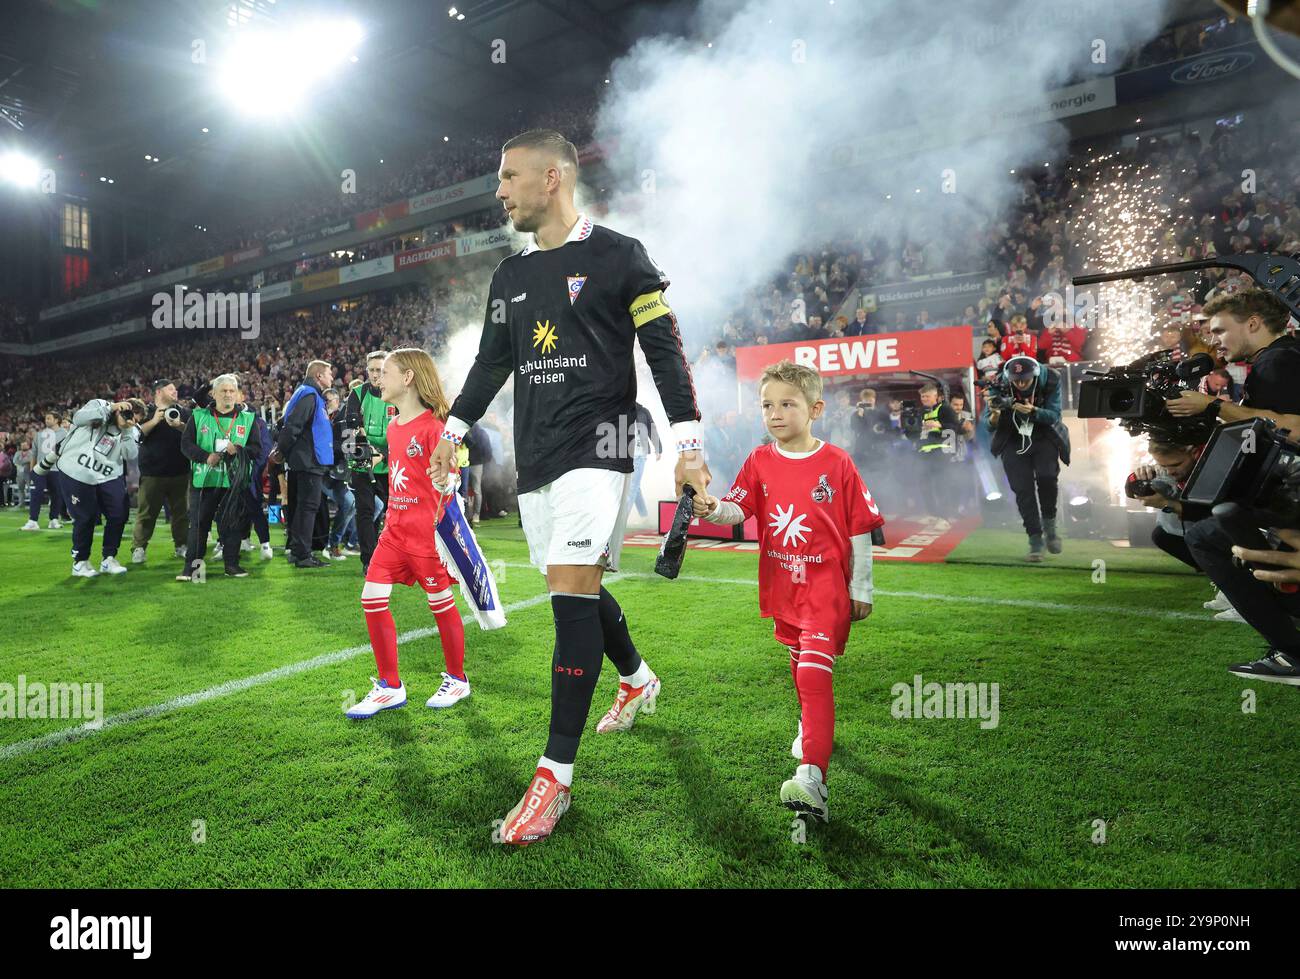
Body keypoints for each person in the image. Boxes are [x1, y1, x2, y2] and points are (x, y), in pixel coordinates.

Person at [426, 129, 706, 846]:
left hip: (599, 450)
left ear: (551, 178)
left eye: (507, 176)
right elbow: (491, 366)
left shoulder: (619, 255)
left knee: (571, 588)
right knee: (572, 586)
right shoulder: (509, 277)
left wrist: (689, 447)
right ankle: (639, 677)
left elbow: (666, 354)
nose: (498, 190)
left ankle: (555, 777)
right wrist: (452, 436)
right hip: (538, 460)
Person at [693, 360, 883, 823]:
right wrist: (711, 505)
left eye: (787, 404)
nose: (774, 413)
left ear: (814, 408)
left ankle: (812, 778)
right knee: (800, 667)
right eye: (766, 405)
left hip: (826, 591)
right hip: (784, 586)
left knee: (814, 675)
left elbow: (859, 529)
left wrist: (862, 587)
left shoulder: (837, 463)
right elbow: (737, 510)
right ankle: (811, 728)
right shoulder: (759, 461)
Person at [1166, 288, 1300, 683]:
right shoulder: (1276, 359)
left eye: (1222, 330)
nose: (1216, 340)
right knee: (1218, 521)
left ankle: (1291, 650)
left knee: (1209, 534)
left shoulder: (1281, 360)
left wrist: (1212, 406)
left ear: (1254, 323)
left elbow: (1294, 427)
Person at [346, 349, 475, 717]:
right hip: (394, 531)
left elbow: (453, 476)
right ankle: (390, 686)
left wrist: (447, 479)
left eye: (385, 372)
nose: (378, 378)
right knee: (371, 598)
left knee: (440, 606)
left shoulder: (436, 427)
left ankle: (457, 679)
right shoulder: (392, 426)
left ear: (407, 379)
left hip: (427, 535)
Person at [985, 355, 1070, 562]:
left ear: (1036, 374)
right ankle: (1035, 539)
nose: (1021, 384)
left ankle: (1050, 528)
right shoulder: (998, 382)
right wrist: (994, 415)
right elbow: (989, 425)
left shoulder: (1050, 378)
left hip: (1043, 434)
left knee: (1047, 478)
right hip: (1013, 438)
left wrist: (1034, 411)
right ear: (1008, 376)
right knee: (1022, 489)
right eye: (1016, 380)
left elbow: (1055, 415)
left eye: (1025, 379)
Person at [177, 375, 261, 581]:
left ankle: (231, 565)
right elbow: (186, 445)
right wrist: (205, 457)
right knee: (199, 525)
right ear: (213, 394)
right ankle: (192, 569)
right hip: (203, 481)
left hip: (233, 483)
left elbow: (257, 450)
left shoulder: (249, 419)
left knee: (232, 525)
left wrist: (239, 449)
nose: (228, 395)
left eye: (232, 391)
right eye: (223, 391)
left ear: (238, 394)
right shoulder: (198, 416)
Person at [53, 397, 144, 577]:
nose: (131, 420)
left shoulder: (132, 428)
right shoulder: (100, 405)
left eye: (135, 419)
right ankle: (80, 562)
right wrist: (112, 408)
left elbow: (130, 454)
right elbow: (79, 418)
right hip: (77, 470)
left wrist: (127, 431)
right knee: (85, 517)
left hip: (108, 474)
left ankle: (109, 558)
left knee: (119, 514)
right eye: (129, 414)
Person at [269, 361, 334, 569]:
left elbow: (288, 423)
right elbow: (293, 426)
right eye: (329, 374)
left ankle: (298, 552)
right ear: (319, 376)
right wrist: (281, 451)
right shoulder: (309, 395)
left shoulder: (305, 393)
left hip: (304, 459)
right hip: (308, 461)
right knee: (308, 508)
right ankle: (303, 555)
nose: (332, 378)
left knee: (301, 508)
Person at [130, 379, 191, 563]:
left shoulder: (184, 412)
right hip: (152, 473)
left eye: (175, 389)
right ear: (158, 392)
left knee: (181, 513)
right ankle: (139, 548)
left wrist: (180, 425)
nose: (175, 392)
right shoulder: (145, 411)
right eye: (170, 389)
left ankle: (182, 545)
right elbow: (135, 435)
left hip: (180, 471)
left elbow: (196, 434)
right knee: (147, 513)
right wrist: (155, 420)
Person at [343, 352, 392, 571]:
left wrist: (382, 454)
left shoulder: (397, 393)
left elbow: (405, 431)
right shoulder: (357, 393)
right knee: (365, 511)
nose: (375, 374)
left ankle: (395, 556)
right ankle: (369, 561)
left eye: (380, 370)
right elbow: (351, 427)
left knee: (394, 512)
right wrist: (366, 449)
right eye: (371, 370)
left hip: (391, 464)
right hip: (363, 462)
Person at [912, 382, 960, 519]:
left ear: (936, 396)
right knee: (924, 484)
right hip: (924, 452)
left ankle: (944, 516)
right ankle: (933, 513)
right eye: (922, 397)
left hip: (941, 451)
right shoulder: (921, 412)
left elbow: (955, 427)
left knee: (941, 484)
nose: (924, 399)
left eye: (927, 396)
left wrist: (939, 424)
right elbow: (915, 434)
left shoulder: (945, 409)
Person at [323, 388, 356, 560]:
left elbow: (347, 447)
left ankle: (348, 541)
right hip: (326, 473)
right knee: (350, 503)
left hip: (341, 472)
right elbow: (343, 447)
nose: (329, 404)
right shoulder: (327, 419)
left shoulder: (343, 420)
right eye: (326, 401)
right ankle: (333, 544)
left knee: (374, 505)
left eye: (331, 400)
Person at [21, 412, 67, 531]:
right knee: (36, 494)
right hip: (40, 469)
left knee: (57, 495)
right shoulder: (39, 434)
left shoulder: (65, 434)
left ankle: (54, 519)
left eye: (49, 418)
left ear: (56, 420)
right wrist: (32, 470)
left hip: (57, 469)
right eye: (46, 418)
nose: (46, 420)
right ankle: (32, 521)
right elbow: (34, 454)